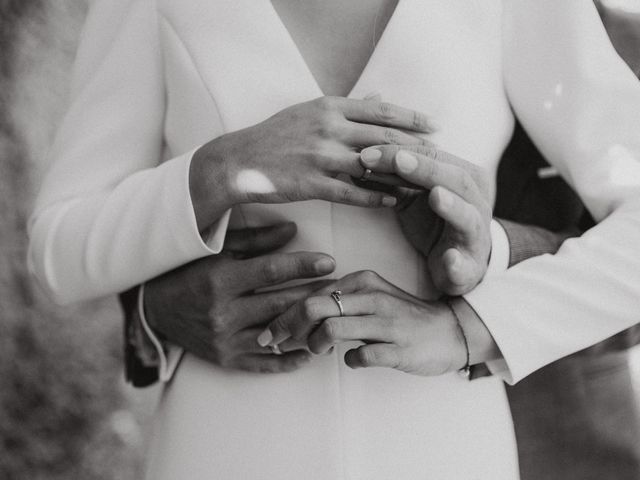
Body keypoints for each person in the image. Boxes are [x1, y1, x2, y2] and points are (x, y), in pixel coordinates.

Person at [28, 0, 640, 478]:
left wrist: (471, 328)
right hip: (226, 442)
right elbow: (56, 249)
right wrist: (218, 170)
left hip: (441, 442)